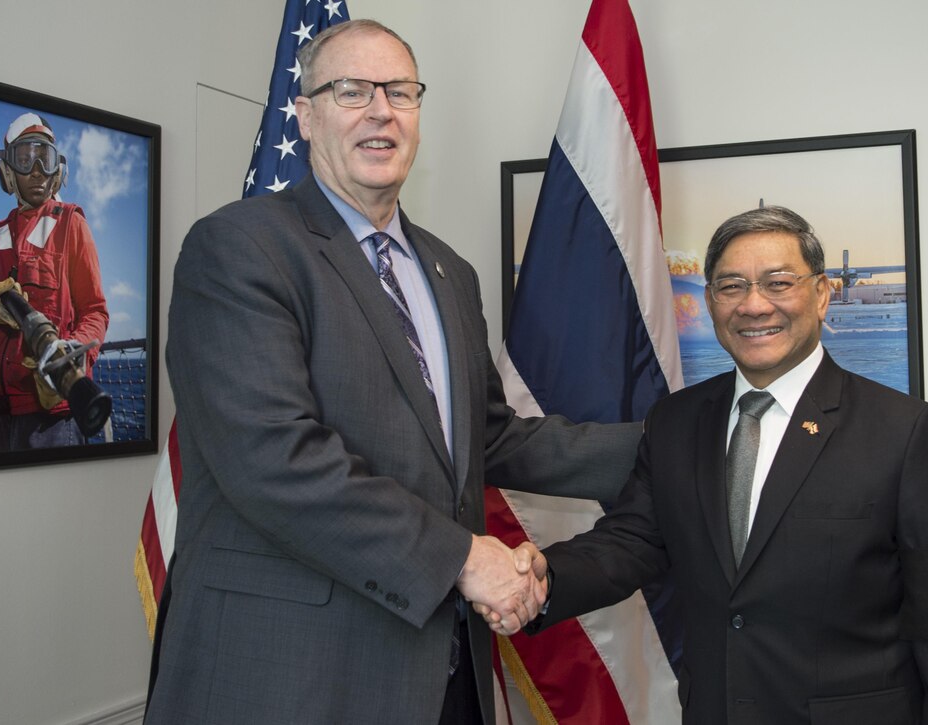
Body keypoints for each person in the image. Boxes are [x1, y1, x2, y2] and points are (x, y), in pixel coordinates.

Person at [143, 19, 640, 725]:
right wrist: (466, 559)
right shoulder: (239, 249)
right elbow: (274, 459)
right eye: (352, 90)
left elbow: (489, 440)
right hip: (292, 679)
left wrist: (677, 441)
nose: (381, 110)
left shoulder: (450, 273)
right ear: (306, 116)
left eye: (400, 92)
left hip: (444, 676)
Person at [507, 206, 928, 723]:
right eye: (731, 286)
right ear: (711, 302)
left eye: (778, 282)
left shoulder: (904, 432)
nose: (754, 305)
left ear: (822, 293)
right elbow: (633, 541)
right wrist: (543, 577)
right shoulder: (677, 421)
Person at [0, 113, 108, 451]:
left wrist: (70, 353)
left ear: (59, 169)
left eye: (46, 159)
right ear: (7, 172)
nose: (38, 171)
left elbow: (95, 312)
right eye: (25, 160)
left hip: (49, 417)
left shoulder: (71, 224)